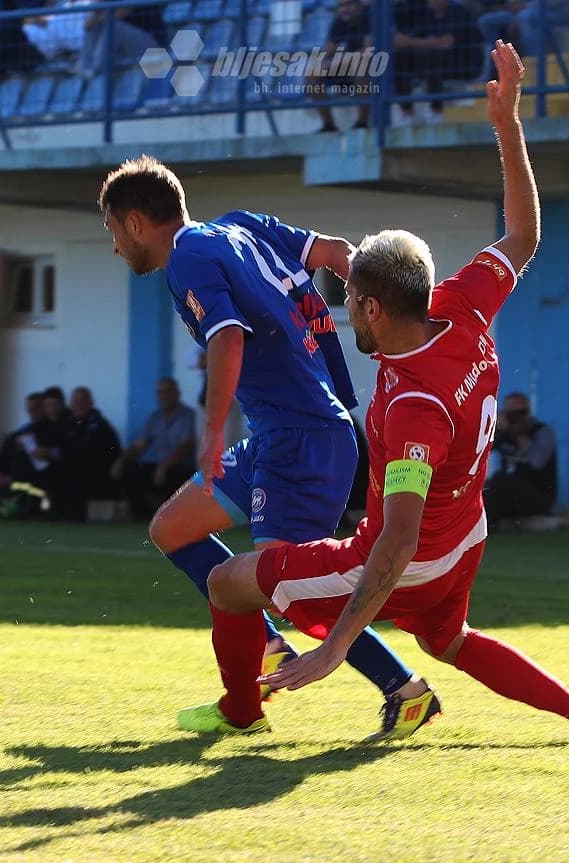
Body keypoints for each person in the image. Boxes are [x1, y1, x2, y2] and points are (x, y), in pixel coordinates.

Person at [187, 42, 569, 748]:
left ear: (375, 306)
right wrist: (507, 124)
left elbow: (396, 542)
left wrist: (335, 646)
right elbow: (525, 235)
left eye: (348, 300)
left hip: (416, 551)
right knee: (450, 641)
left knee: (229, 581)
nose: (344, 313)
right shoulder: (462, 304)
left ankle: (239, 711)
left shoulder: (414, 406)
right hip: (465, 533)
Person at [99, 154, 430, 739]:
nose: (115, 250)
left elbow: (228, 337)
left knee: (292, 591)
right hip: (282, 434)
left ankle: (404, 691)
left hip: (300, 439)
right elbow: (332, 251)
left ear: (133, 222)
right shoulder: (239, 225)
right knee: (172, 528)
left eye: (111, 233)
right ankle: (262, 649)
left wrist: (211, 432)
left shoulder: (188, 260)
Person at [114, 377, 197, 520]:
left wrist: (164, 466)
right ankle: (142, 516)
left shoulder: (188, 416)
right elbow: (141, 445)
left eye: (167, 391)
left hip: (180, 467)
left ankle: (172, 517)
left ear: (177, 393)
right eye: (160, 392)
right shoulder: (154, 418)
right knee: (129, 469)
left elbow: (186, 446)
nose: (164, 396)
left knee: (174, 473)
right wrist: (121, 459)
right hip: (158, 467)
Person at [484, 391, 557, 530]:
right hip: (510, 495)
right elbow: (482, 452)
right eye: (511, 415)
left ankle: (490, 526)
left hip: (538, 495)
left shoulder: (542, 432)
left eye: (520, 414)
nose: (516, 419)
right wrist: (495, 430)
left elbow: (537, 463)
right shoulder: (503, 434)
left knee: (501, 480)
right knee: (486, 486)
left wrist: (520, 435)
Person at [393, 0, 473, 124]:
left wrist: (411, 41)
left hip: (460, 63)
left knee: (429, 55)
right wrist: (416, 42)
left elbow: (446, 43)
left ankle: (436, 110)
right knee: (400, 58)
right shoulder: (427, 14)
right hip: (432, 62)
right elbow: (406, 41)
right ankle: (407, 112)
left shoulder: (458, 12)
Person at [55, 386, 121, 521]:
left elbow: (91, 452)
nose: (78, 405)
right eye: (75, 402)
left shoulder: (99, 425)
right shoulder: (68, 424)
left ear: (90, 403)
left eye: (81, 401)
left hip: (97, 473)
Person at [308, 0, 373, 133]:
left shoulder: (369, 17)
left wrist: (339, 61)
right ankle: (329, 125)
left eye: (349, 4)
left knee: (360, 67)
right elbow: (329, 50)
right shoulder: (340, 20)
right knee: (312, 74)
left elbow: (367, 52)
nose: (344, 9)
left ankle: (362, 123)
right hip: (349, 65)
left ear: (359, 5)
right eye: (341, 6)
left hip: (374, 67)